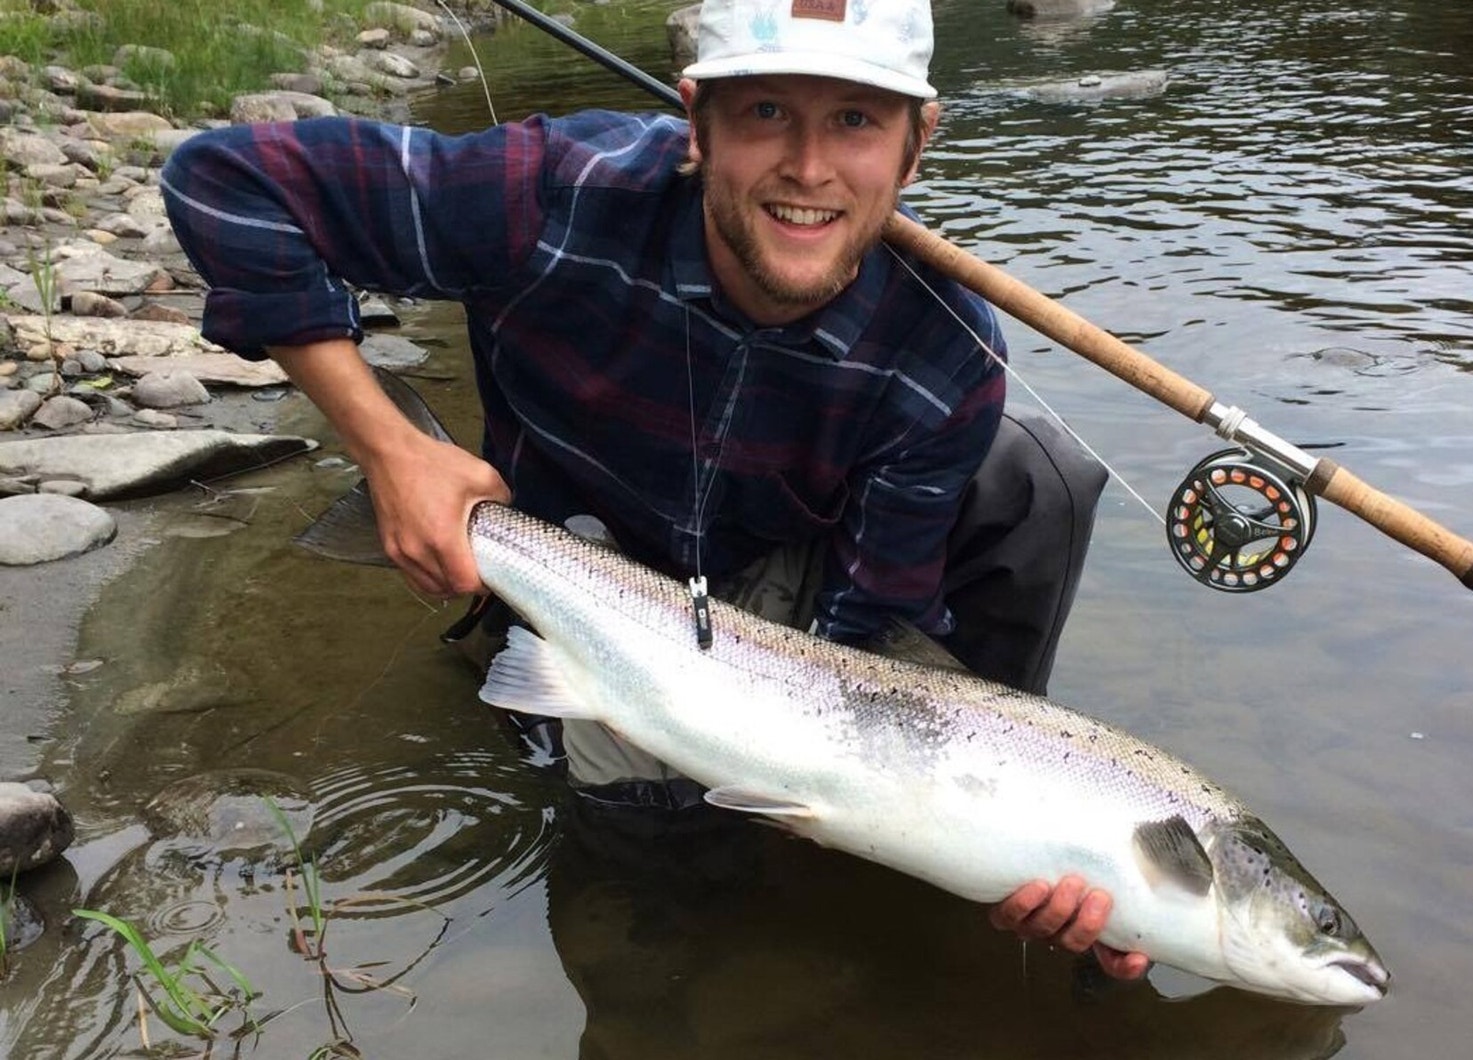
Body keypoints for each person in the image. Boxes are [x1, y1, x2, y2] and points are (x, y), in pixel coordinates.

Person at [160, 0, 1147, 980]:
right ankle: (538, 690)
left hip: (772, 589)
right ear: (695, 121)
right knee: (648, 868)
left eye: (855, 119)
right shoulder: (548, 193)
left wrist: (976, 835)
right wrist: (388, 450)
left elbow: (865, 639)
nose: (808, 168)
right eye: (765, 112)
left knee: (1035, 470)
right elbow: (224, 179)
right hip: (569, 556)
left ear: (915, 144)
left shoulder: (943, 351)